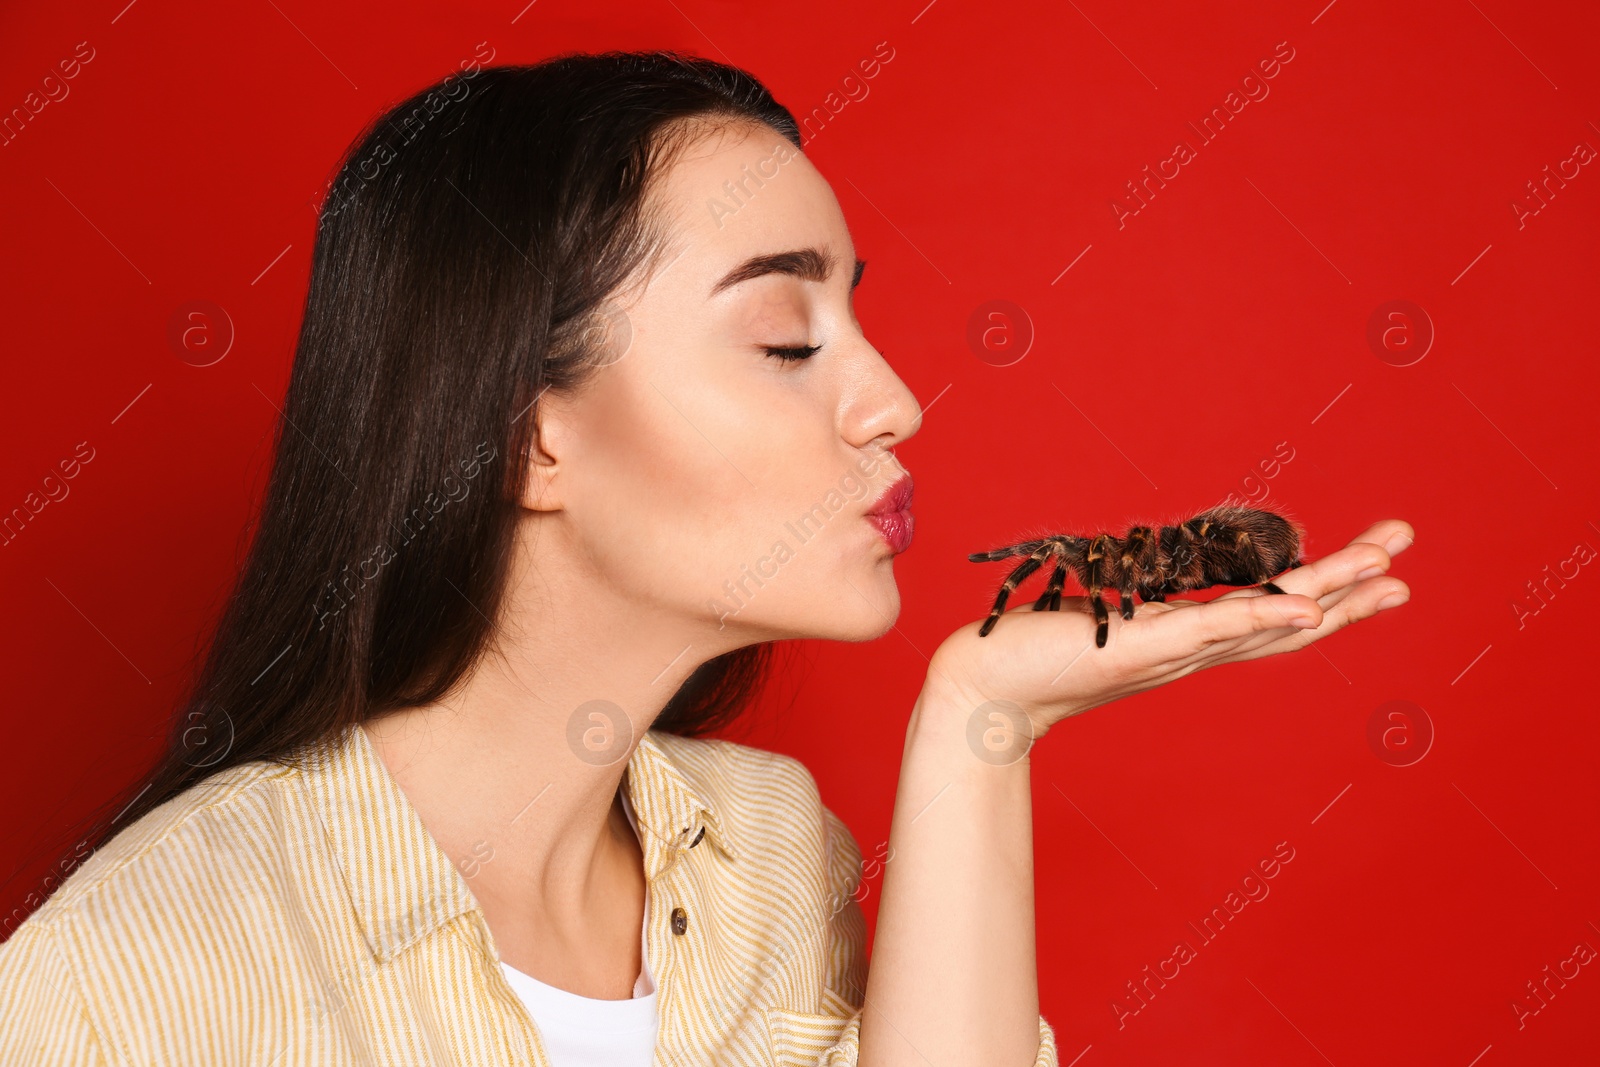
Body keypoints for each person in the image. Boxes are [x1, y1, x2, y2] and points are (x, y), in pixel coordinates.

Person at [0, 50, 1411, 1066]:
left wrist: (985, 726)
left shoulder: (770, 857)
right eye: (788, 343)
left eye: (854, 325)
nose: (895, 403)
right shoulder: (137, 975)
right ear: (526, 439)